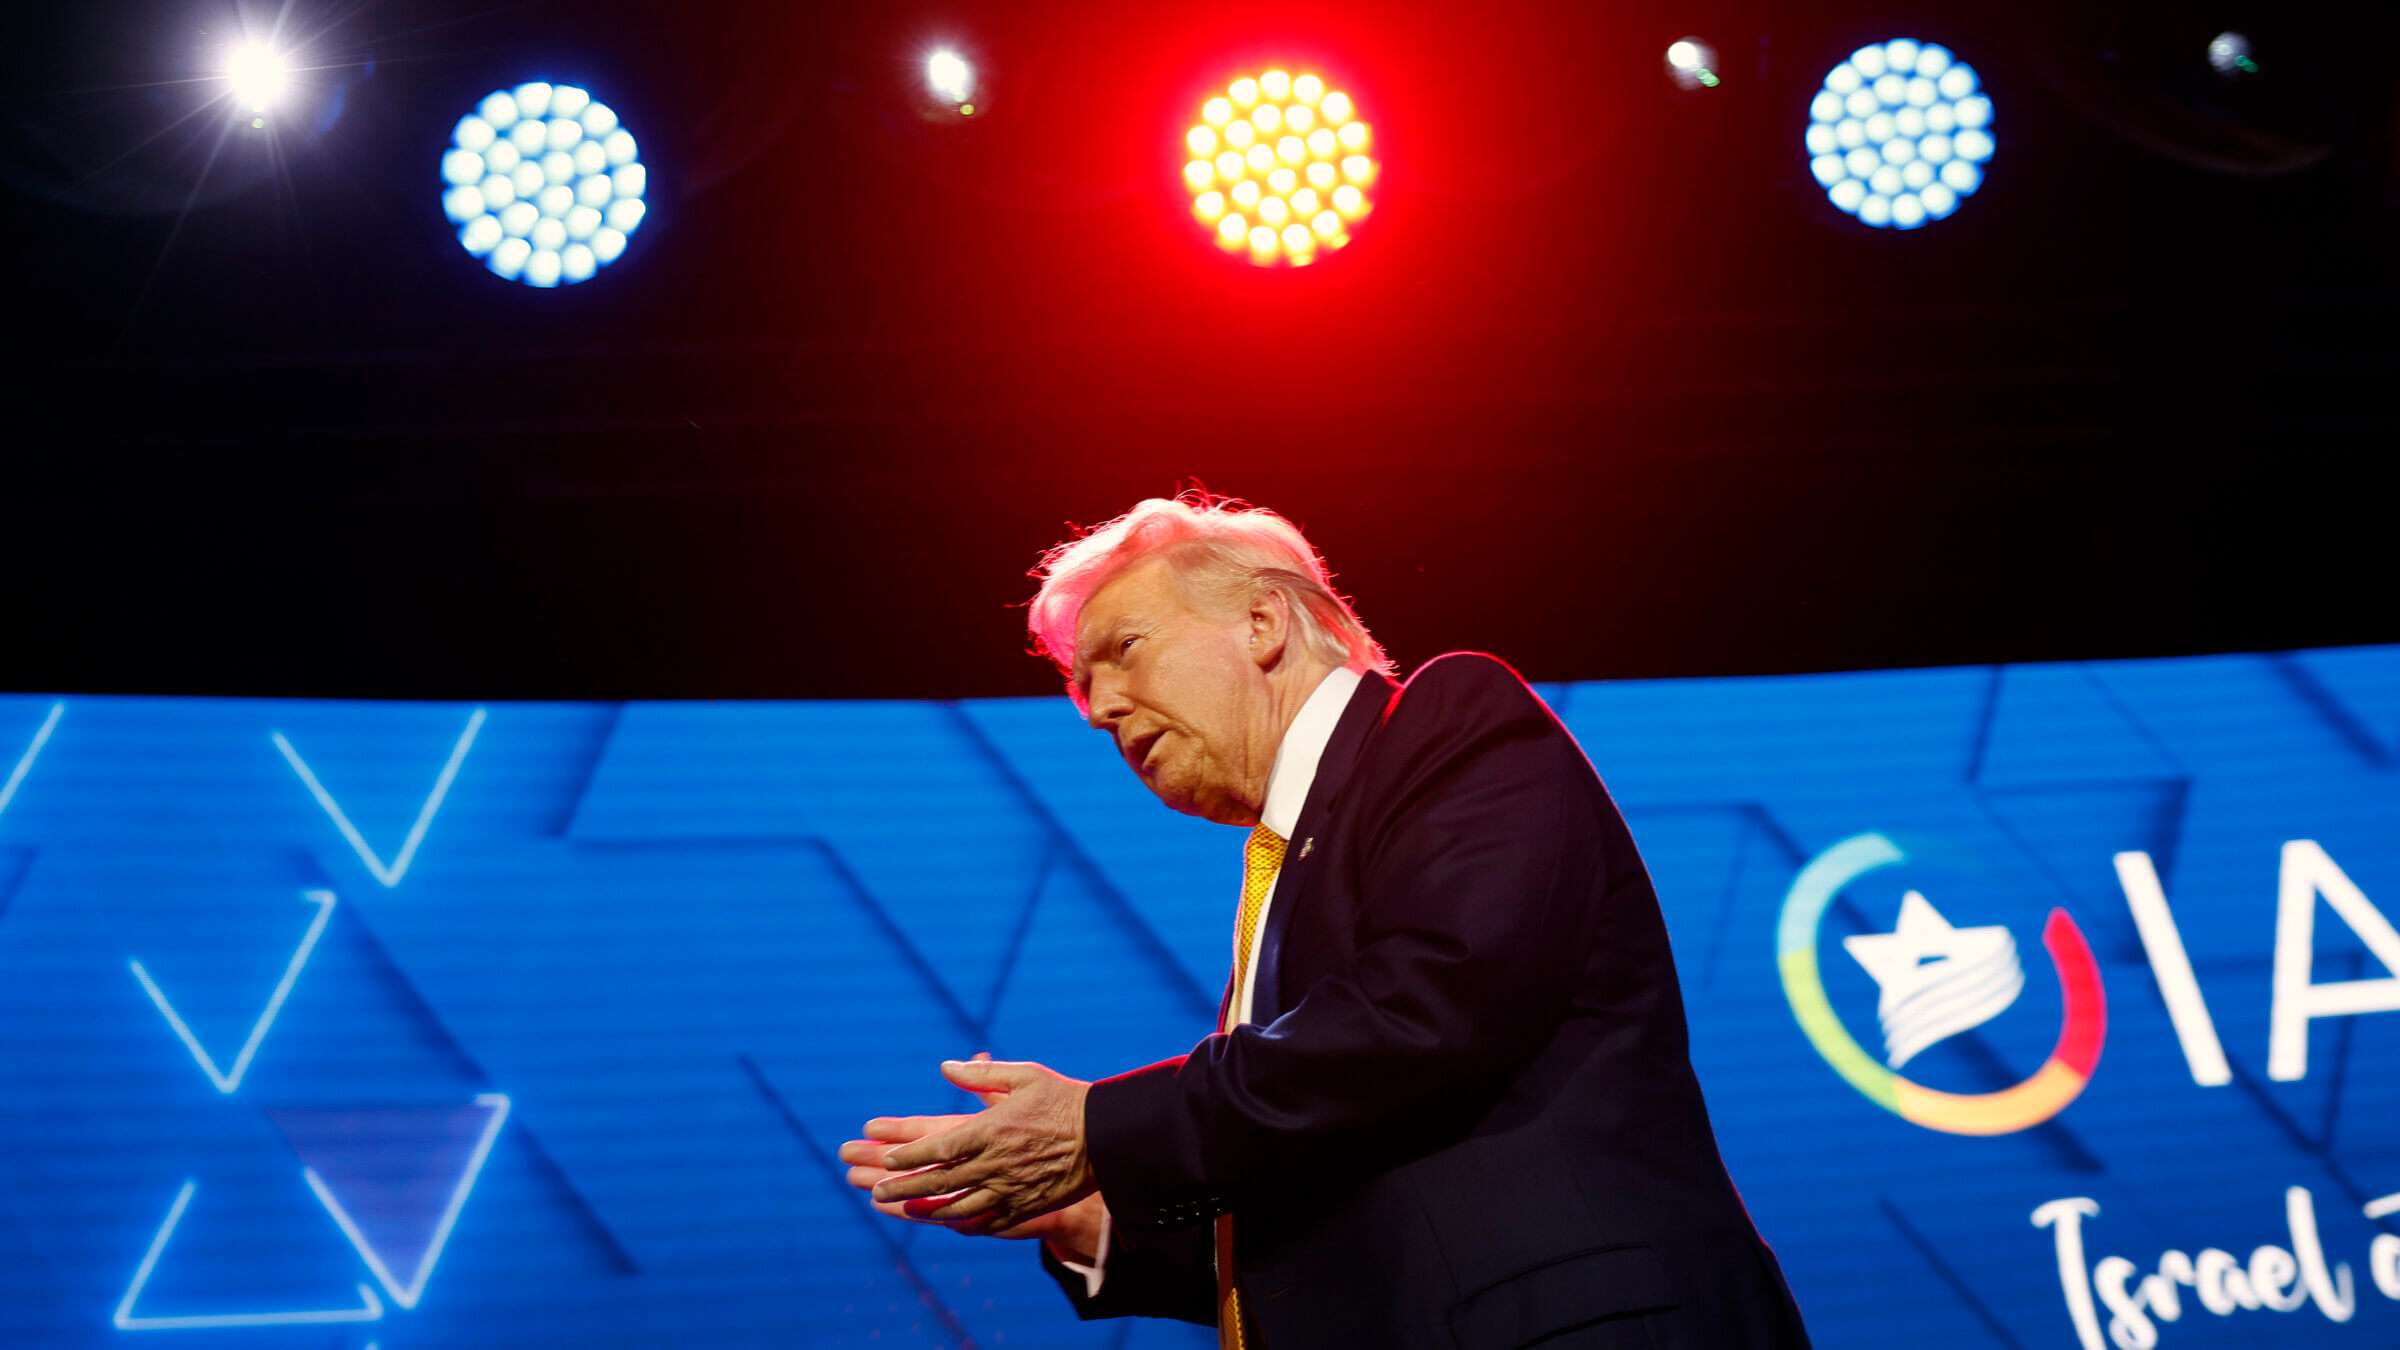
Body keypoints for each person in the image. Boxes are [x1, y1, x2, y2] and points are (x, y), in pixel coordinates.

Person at [841, 493, 1810, 1348]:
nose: (1095, 709)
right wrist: (1093, 1220)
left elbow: (1429, 1014)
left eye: (1121, 652)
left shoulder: (1449, 724)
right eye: (1077, 683)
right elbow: (1350, 1211)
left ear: (1264, 620)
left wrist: (1105, 1128)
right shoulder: (1283, 885)